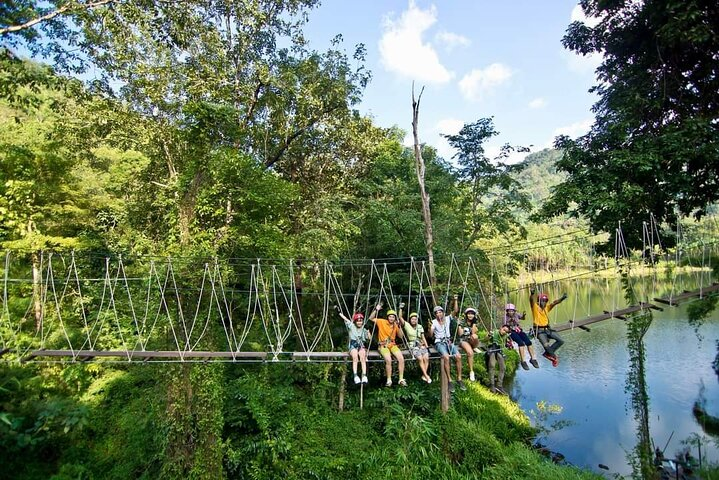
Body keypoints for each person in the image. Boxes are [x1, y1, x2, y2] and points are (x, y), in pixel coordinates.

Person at [427, 296, 465, 392]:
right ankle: (450, 380)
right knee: (446, 357)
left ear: (443, 313)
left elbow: (455, 310)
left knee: (458, 356)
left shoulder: (448, 318)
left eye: (440, 312)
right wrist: (430, 328)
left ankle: (459, 379)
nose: (439, 314)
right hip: (439, 342)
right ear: (435, 315)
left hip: (448, 341)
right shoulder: (433, 322)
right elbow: (431, 336)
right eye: (437, 313)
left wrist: (455, 300)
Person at [529, 286, 568, 367]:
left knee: (561, 341)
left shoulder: (547, 308)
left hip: (547, 329)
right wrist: (532, 294)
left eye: (545, 301)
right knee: (546, 345)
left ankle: (547, 354)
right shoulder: (535, 307)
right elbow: (531, 301)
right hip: (538, 330)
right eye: (542, 301)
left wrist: (562, 298)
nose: (543, 303)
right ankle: (553, 357)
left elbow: (554, 302)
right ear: (538, 301)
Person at [369, 302, 406, 387]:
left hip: (392, 345)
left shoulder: (395, 325)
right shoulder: (382, 322)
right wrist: (376, 309)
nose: (392, 318)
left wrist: (399, 326)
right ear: (387, 317)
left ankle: (401, 379)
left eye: (393, 317)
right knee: (388, 360)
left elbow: (401, 336)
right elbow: (371, 318)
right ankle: (389, 379)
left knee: (401, 358)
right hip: (383, 345)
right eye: (390, 316)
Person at [399, 306, 431, 383]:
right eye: (412, 319)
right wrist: (400, 308)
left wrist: (427, 347)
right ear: (410, 320)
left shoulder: (420, 326)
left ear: (417, 320)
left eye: (415, 319)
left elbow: (423, 337)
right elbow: (400, 317)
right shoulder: (407, 325)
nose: (414, 320)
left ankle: (424, 375)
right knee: (420, 358)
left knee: (426, 358)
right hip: (412, 345)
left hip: (421, 344)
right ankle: (426, 376)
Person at [503, 303, 539, 370]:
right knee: (521, 343)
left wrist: (524, 315)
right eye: (509, 311)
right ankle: (523, 361)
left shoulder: (516, 314)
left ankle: (533, 359)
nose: (511, 312)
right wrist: (509, 322)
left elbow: (522, 318)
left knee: (528, 342)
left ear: (514, 311)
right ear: (507, 311)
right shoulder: (505, 317)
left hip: (518, 330)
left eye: (512, 311)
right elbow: (505, 326)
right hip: (511, 332)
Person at [337, 309, 370, 384]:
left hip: (361, 345)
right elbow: (345, 319)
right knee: (355, 357)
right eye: (358, 321)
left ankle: (364, 376)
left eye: (360, 321)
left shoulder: (364, 329)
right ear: (355, 322)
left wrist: (368, 331)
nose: (359, 322)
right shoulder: (352, 326)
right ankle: (355, 376)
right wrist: (339, 313)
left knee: (362, 357)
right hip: (353, 344)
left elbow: (369, 338)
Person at [485, 324, 511, 395]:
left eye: (506, 331)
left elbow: (505, 344)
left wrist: (508, 345)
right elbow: (485, 340)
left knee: (503, 367)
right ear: (501, 328)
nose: (504, 332)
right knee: (492, 366)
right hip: (492, 349)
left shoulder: (505, 336)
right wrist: (489, 335)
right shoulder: (494, 332)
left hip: (499, 351)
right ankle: (492, 385)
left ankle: (499, 385)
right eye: (504, 330)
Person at [457, 307, 480, 382]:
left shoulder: (475, 322)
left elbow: (473, 333)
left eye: (472, 314)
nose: (470, 315)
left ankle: (474, 347)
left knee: (475, 336)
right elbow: (460, 334)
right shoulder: (462, 322)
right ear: (466, 314)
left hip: (470, 340)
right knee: (470, 353)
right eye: (469, 314)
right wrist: (459, 325)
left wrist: (474, 324)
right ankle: (471, 371)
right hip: (463, 340)